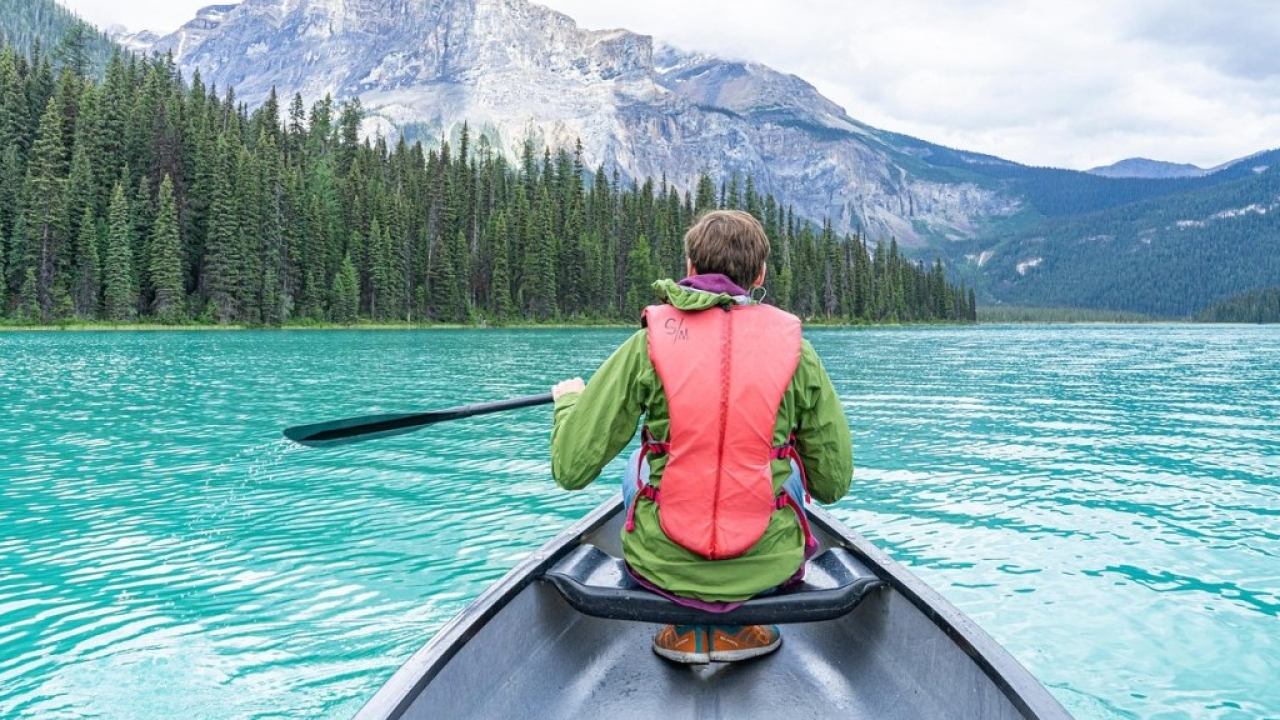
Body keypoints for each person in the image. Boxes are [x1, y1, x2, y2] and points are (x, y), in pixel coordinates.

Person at [550, 209, 853, 664]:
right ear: (759, 275)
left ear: (690, 265)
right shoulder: (799, 355)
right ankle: (739, 628)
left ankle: (686, 627)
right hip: (767, 570)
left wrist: (570, 402)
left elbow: (570, 468)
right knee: (786, 473)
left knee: (637, 468)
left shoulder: (646, 346)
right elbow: (833, 484)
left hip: (661, 568)